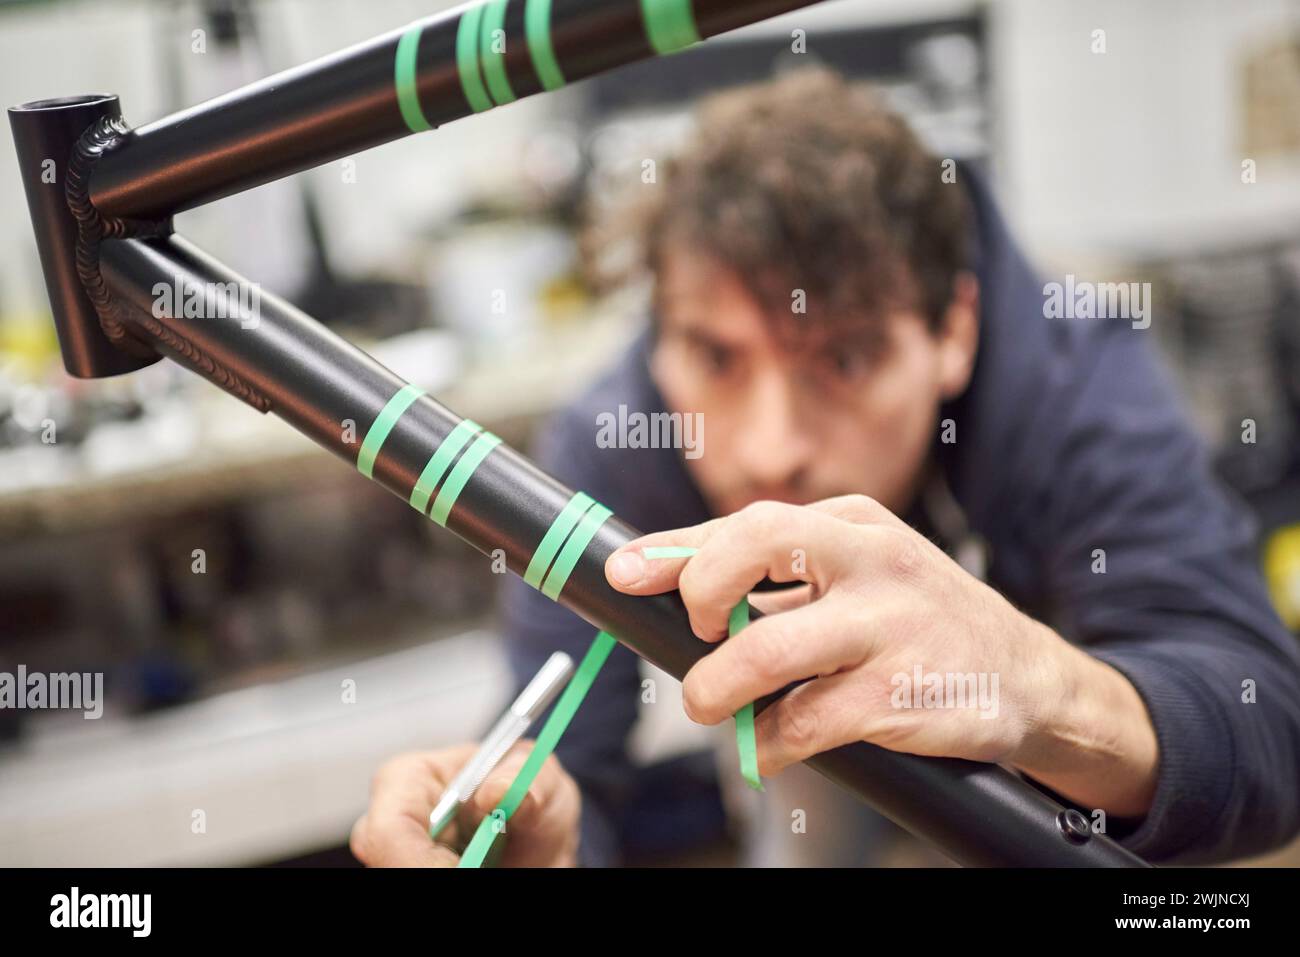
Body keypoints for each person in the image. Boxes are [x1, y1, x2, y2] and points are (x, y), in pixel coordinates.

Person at [351, 67, 1300, 868]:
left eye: (843, 360)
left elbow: (1266, 727)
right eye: (716, 357)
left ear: (953, 330)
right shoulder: (622, 431)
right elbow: (564, 762)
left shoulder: (1071, 383)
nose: (769, 447)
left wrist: (1037, 686)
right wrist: (534, 833)